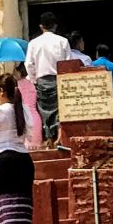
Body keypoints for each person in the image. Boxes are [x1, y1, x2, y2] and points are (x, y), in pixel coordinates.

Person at [0, 73, 34, 224]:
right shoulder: (23, 109)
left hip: (6, 160)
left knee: (7, 202)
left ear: (1, 91)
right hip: (23, 159)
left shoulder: (0, 111)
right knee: (23, 203)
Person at [25, 12, 71, 147]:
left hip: (41, 81)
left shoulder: (34, 43)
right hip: (59, 80)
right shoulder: (63, 41)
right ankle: (60, 137)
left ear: (41, 26)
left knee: (44, 111)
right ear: (55, 26)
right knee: (59, 109)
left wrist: (34, 80)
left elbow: (28, 64)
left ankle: (49, 138)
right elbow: (68, 63)